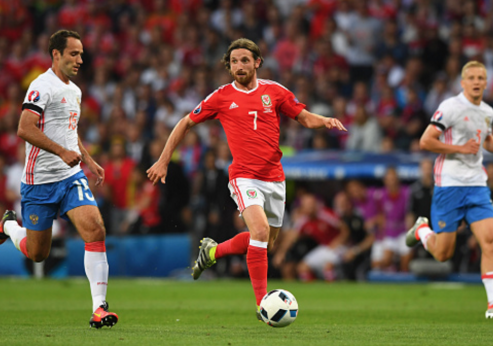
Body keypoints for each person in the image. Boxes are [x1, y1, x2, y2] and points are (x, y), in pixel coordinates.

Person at [146, 38, 346, 320]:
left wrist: (323, 120)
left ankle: (213, 252)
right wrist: (163, 160)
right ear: (228, 66)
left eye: (244, 60)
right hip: (244, 176)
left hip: (275, 178)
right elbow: (185, 122)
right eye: (233, 62)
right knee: (260, 233)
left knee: (264, 242)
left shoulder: (274, 92)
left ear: (257, 62)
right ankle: (261, 305)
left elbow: (303, 117)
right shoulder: (221, 96)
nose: (238, 66)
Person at [0, 30, 118, 328]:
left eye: (82, 54)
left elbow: (68, 131)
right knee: (38, 254)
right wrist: (62, 151)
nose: (80, 59)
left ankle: (99, 308)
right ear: (56, 54)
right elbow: (24, 128)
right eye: (74, 53)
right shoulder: (40, 86)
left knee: (95, 229)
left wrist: (87, 159)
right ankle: (9, 225)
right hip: (38, 183)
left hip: (70, 177)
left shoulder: (75, 91)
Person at [405, 61, 493, 319]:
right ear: (463, 82)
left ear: (486, 82)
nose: (477, 81)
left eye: (481, 77)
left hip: (477, 185)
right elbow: (425, 141)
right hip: (450, 185)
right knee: (443, 253)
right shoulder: (450, 107)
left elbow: (485, 141)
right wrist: (459, 149)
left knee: (491, 241)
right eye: (472, 77)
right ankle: (422, 230)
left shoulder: (487, 111)